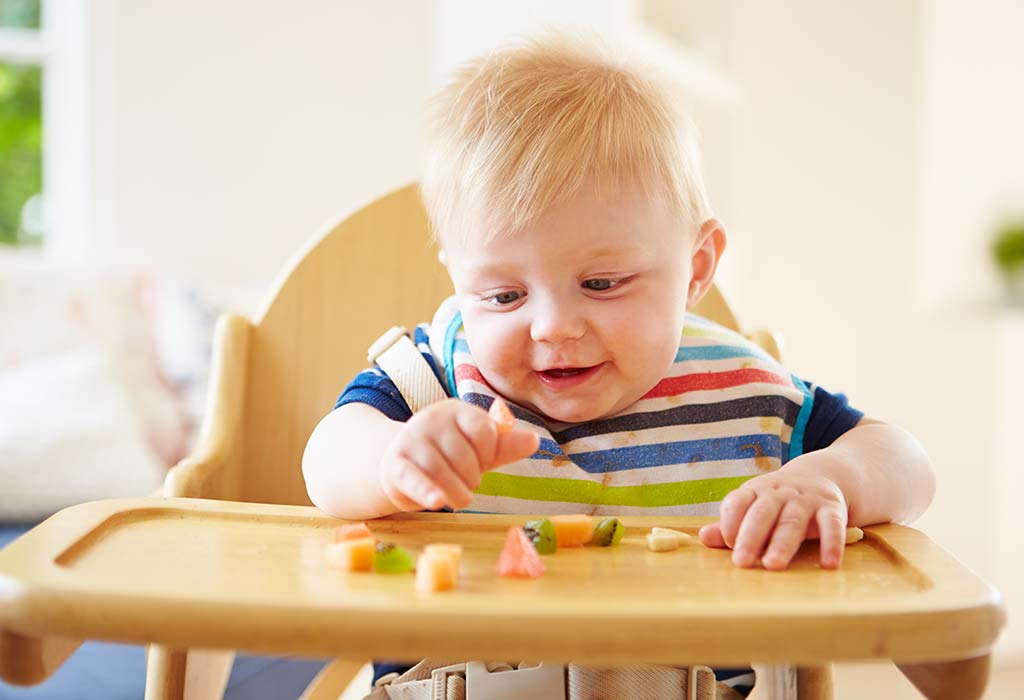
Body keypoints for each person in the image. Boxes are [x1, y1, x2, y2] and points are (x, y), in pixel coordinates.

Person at [302, 34, 935, 697]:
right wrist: (394, 460)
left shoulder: (744, 400)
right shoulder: (432, 385)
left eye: (601, 284)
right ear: (459, 282)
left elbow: (905, 462)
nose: (551, 327)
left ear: (694, 270)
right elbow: (324, 460)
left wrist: (831, 476)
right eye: (504, 296)